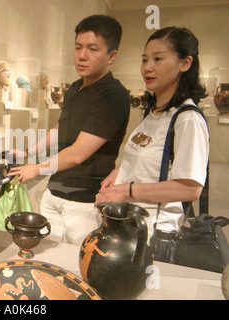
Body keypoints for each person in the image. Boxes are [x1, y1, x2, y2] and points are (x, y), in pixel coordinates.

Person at [7, 15, 130, 244]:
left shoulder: (113, 95)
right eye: (78, 47)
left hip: (84, 201)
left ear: (111, 56)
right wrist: (27, 153)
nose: (82, 56)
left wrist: (37, 169)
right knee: (48, 254)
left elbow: (77, 154)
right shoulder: (75, 88)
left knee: (78, 263)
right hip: (54, 192)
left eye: (93, 49)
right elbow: (59, 129)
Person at [96, 27, 209, 246]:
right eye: (145, 59)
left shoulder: (187, 119)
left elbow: (190, 188)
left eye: (158, 59)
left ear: (185, 63)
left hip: (151, 237)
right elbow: (153, 160)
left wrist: (127, 190)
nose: (148, 68)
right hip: (128, 227)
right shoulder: (154, 112)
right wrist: (119, 173)